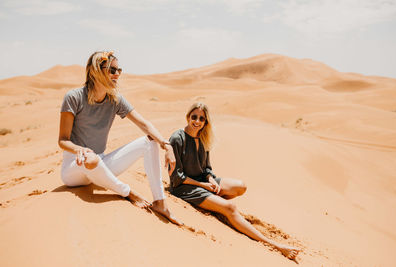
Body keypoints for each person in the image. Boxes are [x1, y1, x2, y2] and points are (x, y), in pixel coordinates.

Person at [58, 51, 181, 225]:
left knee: (148, 142)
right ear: (96, 71)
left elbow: (144, 124)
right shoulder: (74, 97)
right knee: (91, 158)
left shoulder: (115, 99)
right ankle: (128, 192)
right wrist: (80, 150)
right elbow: (62, 140)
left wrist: (166, 145)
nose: (117, 74)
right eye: (112, 70)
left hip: (101, 163)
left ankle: (160, 202)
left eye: (119, 70)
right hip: (74, 168)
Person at [168, 102, 300, 260]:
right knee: (230, 207)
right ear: (188, 117)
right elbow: (176, 176)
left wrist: (211, 180)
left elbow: (206, 169)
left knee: (240, 187)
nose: (197, 121)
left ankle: (214, 204)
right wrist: (202, 185)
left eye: (201, 118)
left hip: (203, 181)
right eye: (194, 117)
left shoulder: (202, 138)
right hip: (183, 187)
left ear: (206, 122)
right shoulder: (177, 138)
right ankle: (275, 245)